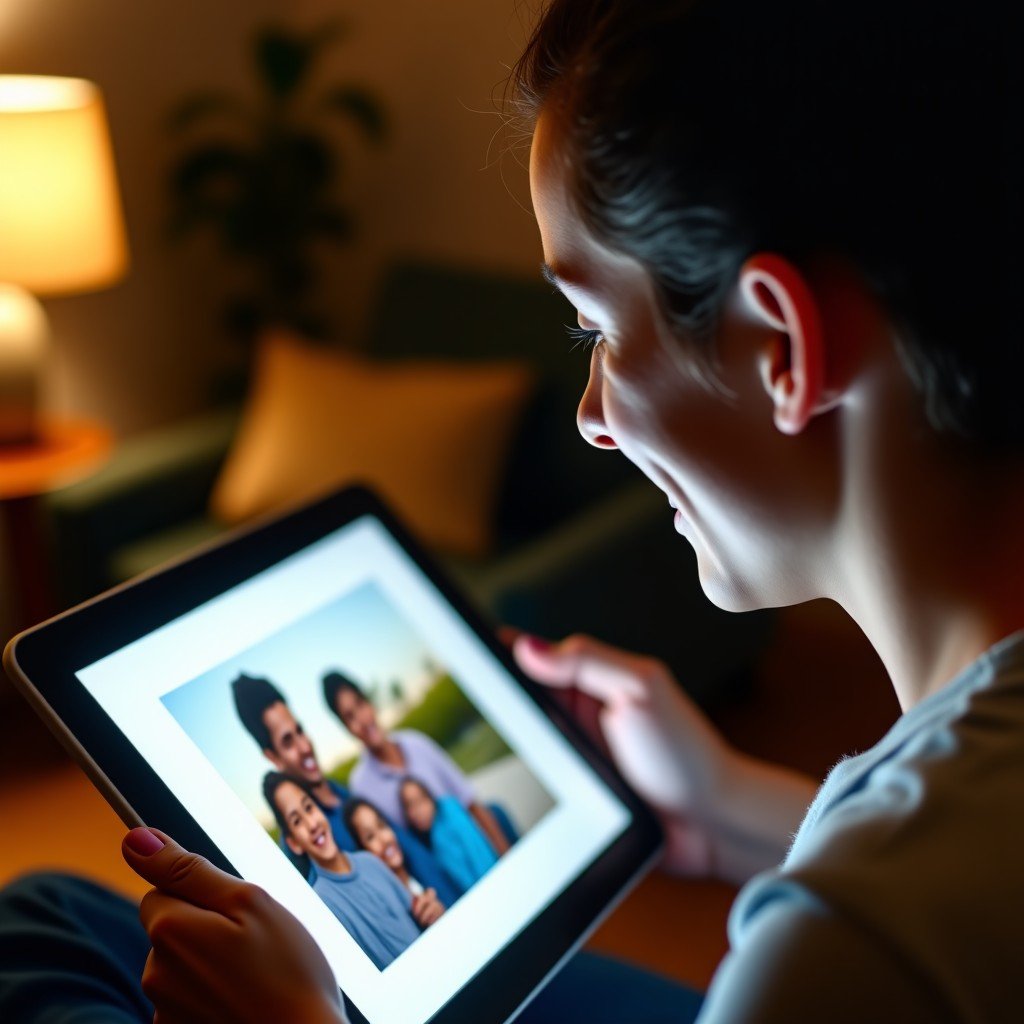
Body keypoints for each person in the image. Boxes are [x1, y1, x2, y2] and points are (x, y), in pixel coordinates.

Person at [0, 0, 1020, 1021]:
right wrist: (727, 808)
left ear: (779, 347)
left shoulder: (842, 945)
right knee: (60, 909)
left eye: (595, 332)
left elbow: (878, 932)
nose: (590, 419)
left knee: (48, 924)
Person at [321, 669, 513, 856]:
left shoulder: (416, 743)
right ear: (347, 729)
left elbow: (469, 801)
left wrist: (506, 856)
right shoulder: (361, 786)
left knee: (496, 811)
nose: (362, 720)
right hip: (442, 869)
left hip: (474, 843)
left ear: (371, 704)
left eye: (360, 704)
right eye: (350, 717)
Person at [263, 772, 441, 971]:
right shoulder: (320, 907)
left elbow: (420, 917)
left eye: (309, 808)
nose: (312, 825)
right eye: (297, 821)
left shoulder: (371, 862)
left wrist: (433, 913)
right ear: (294, 843)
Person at [343, 796, 460, 907]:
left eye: (382, 825)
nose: (385, 839)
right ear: (363, 853)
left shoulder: (425, 870)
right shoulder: (390, 905)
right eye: (370, 837)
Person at [399, 777, 499, 893]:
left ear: (430, 798)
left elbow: (478, 853)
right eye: (410, 806)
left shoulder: (449, 811)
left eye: (420, 801)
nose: (418, 811)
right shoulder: (425, 843)